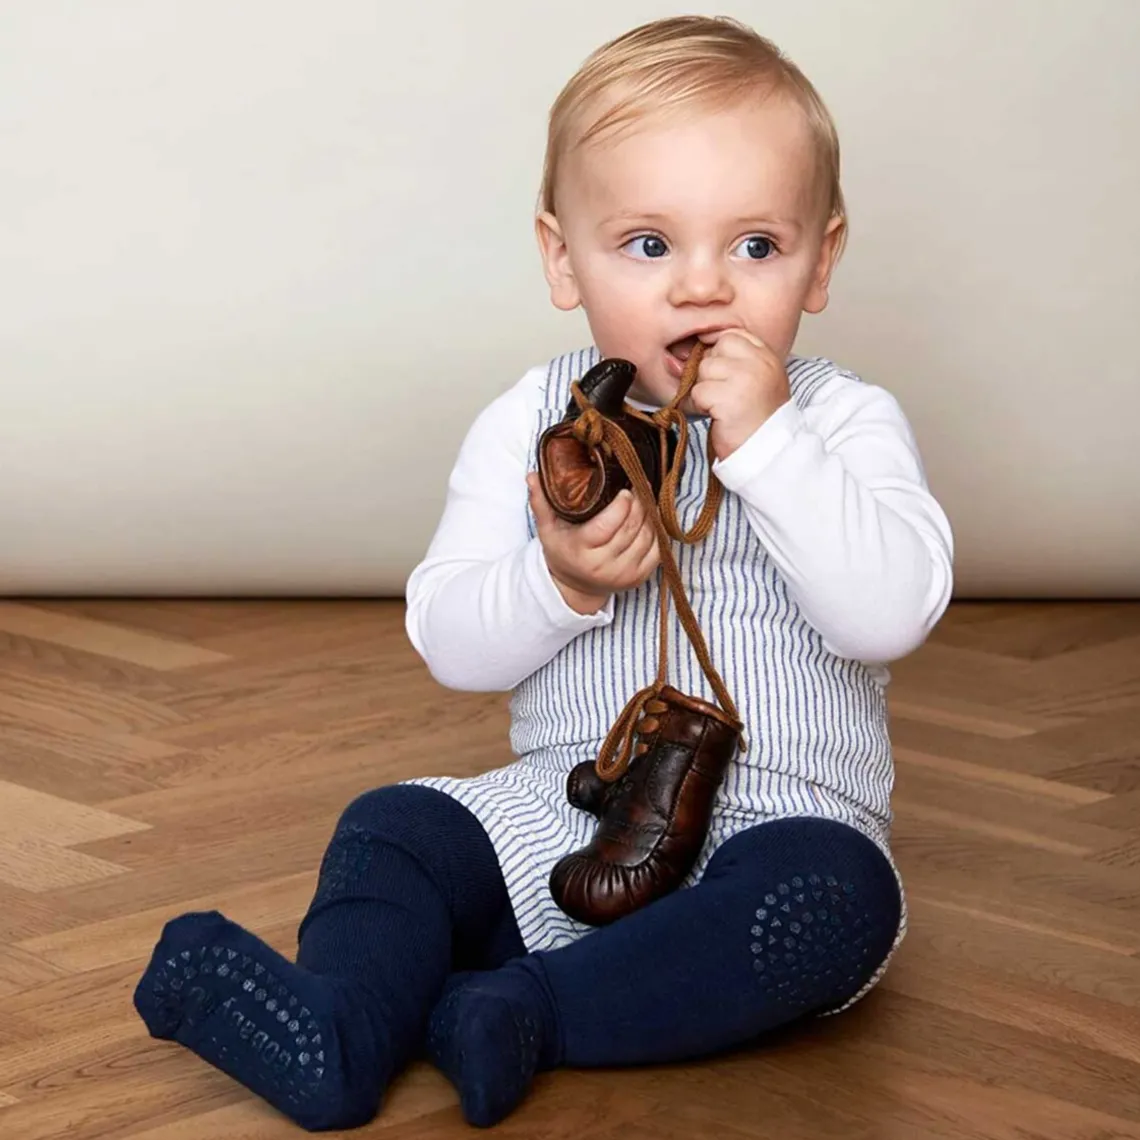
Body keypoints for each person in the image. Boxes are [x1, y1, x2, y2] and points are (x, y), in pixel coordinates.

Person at [133, 15, 954, 1132]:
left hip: (784, 821)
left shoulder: (847, 421)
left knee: (833, 902)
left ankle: (530, 1010)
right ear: (563, 258)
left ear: (823, 259)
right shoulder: (530, 419)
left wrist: (768, 443)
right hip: (569, 809)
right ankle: (345, 1022)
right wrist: (559, 582)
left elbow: (887, 613)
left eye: (756, 246)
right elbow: (449, 640)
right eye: (648, 245)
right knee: (398, 827)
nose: (702, 288)